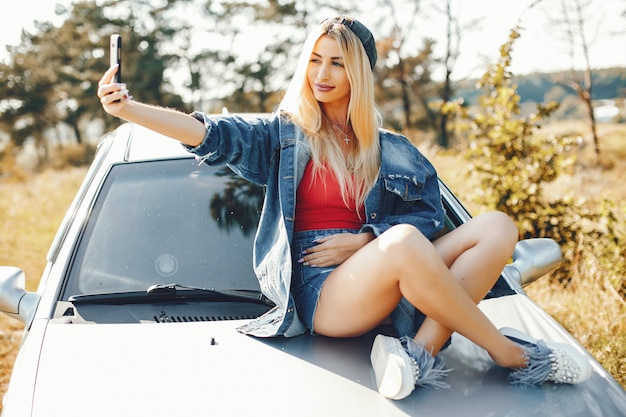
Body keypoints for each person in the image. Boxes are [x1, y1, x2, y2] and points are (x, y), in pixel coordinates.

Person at [97, 16, 591, 399]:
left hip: (384, 269)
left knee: (498, 227)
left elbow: (428, 220)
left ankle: (420, 352)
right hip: (323, 293)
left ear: (358, 72)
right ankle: (510, 355)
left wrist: (364, 240)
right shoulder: (282, 135)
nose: (322, 74)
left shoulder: (391, 149)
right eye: (315, 60)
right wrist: (130, 110)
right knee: (400, 243)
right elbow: (210, 135)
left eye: (336, 62)